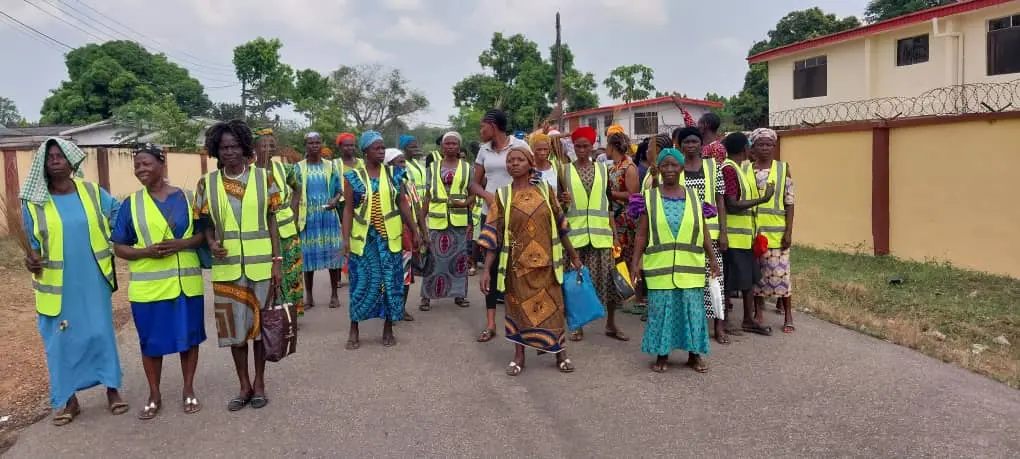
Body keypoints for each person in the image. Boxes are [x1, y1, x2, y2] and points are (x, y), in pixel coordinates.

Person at [22, 138, 127, 426]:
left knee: (100, 332)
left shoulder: (92, 192)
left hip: (93, 277)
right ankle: (68, 400)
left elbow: (119, 213)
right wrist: (30, 260)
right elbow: (31, 245)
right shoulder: (33, 203)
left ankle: (112, 390)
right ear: (43, 165)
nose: (55, 160)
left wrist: (116, 238)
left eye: (60, 155)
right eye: (50, 157)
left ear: (71, 161)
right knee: (61, 340)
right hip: (57, 285)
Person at [111, 143, 205, 419]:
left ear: (161, 165)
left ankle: (188, 388)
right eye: (137, 165)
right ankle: (154, 392)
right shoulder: (131, 204)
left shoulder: (188, 198)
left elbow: (203, 235)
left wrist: (182, 244)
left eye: (146, 163)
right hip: (148, 289)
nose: (140, 169)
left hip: (186, 285)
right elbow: (119, 246)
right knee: (151, 343)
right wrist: (145, 252)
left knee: (189, 340)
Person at [195, 120, 283, 411]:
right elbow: (204, 221)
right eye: (223, 147)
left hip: (260, 266)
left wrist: (277, 263)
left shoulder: (263, 178)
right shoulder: (206, 183)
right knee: (235, 331)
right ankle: (243, 385)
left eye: (234, 146)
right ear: (216, 150)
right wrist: (210, 243)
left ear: (244, 147)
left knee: (259, 328)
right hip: (228, 267)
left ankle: (259, 383)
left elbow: (273, 220)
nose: (229, 152)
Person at [478, 144, 583, 376]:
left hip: (548, 266)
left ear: (530, 164)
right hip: (517, 269)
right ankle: (519, 356)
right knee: (518, 313)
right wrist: (486, 269)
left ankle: (560, 353)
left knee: (554, 311)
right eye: (510, 160)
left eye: (519, 160)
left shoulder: (545, 190)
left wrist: (574, 257)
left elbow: (561, 225)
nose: (513, 163)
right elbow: (493, 233)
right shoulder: (503, 195)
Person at [630, 147, 720, 373]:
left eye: (674, 165)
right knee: (661, 312)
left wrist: (713, 258)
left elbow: (703, 231)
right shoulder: (648, 198)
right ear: (658, 169)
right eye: (665, 165)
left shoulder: (693, 196)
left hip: (690, 268)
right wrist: (635, 262)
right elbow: (641, 234)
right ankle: (662, 355)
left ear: (681, 168)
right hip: (660, 269)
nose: (669, 169)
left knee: (692, 312)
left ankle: (694, 355)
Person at [341, 131, 420, 349]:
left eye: (383, 147)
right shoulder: (353, 177)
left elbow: (403, 204)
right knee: (360, 284)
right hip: (364, 241)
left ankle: (388, 329)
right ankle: (354, 328)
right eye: (377, 148)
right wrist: (345, 240)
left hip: (389, 240)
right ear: (365, 151)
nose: (381, 151)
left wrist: (415, 230)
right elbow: (348, 210)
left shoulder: (395, 173)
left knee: (391, 284)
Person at [469, 109, 530, 342]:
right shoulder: (483, 150)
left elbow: (533, 176)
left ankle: (522, 319)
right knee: (491, 268)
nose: (480, 131)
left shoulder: (519, 145)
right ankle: (491, 324)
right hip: (491, 215)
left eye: (482, 126)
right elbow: (474, 185)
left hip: (517, 215)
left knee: (518, 264)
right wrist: (488, 197)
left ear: (493, 126)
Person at [562, 126, 627, 342]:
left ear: (592, 146)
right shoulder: (565, 171)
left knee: (608, 282)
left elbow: (608, 204)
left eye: (586, 146)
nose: (582, 150)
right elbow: (560, 206)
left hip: (601, 236)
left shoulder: (602, 170)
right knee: (577, 283)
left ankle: (611, 324)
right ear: (573, 147)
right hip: (576, 236)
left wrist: (615, 235)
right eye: (578, 146)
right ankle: (578, 325)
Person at [672, 126, 730, 344]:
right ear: (680, 145)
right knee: (690, 280)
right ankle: (693, 325)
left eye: (695, 141)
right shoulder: (675, 169)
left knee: (715, 279)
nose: (691, 146)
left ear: (701, 144)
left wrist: (724, 232)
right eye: (686, 142)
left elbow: (721, 200)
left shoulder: (712, 167)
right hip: (685, 234)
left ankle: (719, 325)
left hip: (711, 234)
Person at [720, 132, 774, 336]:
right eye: (750, 145)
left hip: (745, 237)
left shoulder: (741, 169)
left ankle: (748, 319)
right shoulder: (729, 170)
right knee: (730, 280)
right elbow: (731, 204)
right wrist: (763, 199)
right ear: (744, 148)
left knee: (749, 280)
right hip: (733, 238)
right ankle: (724, 321)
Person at [749, 128, 796, 333]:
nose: (765, 148)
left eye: (769, 144)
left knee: (781, 276)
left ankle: (788, 315)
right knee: (757, 274)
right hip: (754, 232)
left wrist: (788, 232)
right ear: (754, 147)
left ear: (774, 147)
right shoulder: (747, 170)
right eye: (761, 144)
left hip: (777, 232)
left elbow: (790, 202)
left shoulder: (783, 169)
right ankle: (758, 311)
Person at [419, 131, 473, 310]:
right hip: (437, 219)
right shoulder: (432, 168)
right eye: (447, 144)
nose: (450, 146)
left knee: (459, 260)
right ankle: (426, 296)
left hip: (458, 221)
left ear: (459, 147)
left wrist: (466, 203)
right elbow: (428, 195)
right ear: (441, 147)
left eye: (454, 144)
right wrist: (421, 218)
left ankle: (458, 294)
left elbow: (474, 193)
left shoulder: (467, 168)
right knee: (433, 258)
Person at [290, 132, 344, 309]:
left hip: (328, 216)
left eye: (317, 142)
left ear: (322, 144)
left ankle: (334, 295)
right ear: (305, 146)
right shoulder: (298, 168)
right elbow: (295, 196)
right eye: (311, 143)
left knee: (333, 257)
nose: (314, 146)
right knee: (307, 258)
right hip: (309, 218)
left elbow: (339, 190)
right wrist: (294, 221)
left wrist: (334, 201)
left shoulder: (331, 166)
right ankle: (309, 297)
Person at [255, 129, 304, 317]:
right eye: (264, 145)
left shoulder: (285, 169)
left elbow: (297, 188)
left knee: (290, 270)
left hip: (285, 227)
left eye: (272, 144)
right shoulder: (251, 172)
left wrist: (292, 209)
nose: (269, 148)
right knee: (267, 269)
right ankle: (270, 309)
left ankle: (290, 310)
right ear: (255, 148)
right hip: (261, 227)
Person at [383, 148, 423, 322]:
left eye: (403, 162)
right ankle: (388, 309)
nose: (403, 165)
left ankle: (401, 308)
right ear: (388, 165)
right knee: (389, 274)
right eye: (398, 162)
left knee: (405, 274)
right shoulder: (383, 186)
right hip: (387, 235)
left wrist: (421, 232)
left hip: (406, 236)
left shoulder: (409, 185)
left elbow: (418, 208)